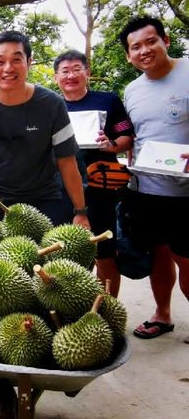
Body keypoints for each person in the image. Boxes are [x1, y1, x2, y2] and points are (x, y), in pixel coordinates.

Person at [0, 30, 90, 231]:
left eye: (16, 59)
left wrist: (80, 212)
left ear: (29, 62)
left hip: (45, 199)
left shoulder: (52, 105)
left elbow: (67, 161)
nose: (8, 68)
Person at [119, 16, 189, 339]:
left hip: (185, 193)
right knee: (158, 253)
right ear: (129, 55)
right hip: (146, 189)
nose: (144, 50)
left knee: (186, 259)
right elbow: (134, 137)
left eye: (151, 41)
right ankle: (162, 314)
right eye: (136, 47)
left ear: (166, 41)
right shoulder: (132, 90)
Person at [54, 50, 134, 295]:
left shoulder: (107, 100)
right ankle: (75, 310)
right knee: (64, 252)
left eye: (77, 69)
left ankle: (107, 312)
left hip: (101, 186)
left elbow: (127, 137)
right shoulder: (50, 105)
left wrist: (112, 145)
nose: (71, 75)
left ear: (87, 72)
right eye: (64, 71)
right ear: (56, 77)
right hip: (60, 189)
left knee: (105, 252)